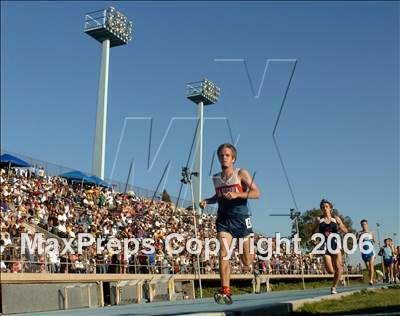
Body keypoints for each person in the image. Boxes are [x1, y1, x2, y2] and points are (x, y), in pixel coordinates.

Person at [200, 143, 260, 304]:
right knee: (223, 254)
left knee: (246, 261)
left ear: (233, 158)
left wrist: (237, 194)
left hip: (241, 220)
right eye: (221, 155)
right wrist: (207, 200)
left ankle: (251, 254)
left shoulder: (241, 173)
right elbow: (218, 196)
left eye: (227, 155)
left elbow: (256, 193)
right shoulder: (216, 177)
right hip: (224, 220)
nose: (223, 158)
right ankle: (225, 291)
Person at [317, 199, 348, 294]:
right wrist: (314, 240)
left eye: (326, 206)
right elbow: (313, 231)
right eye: (323, 207)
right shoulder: (319, 219)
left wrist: (340, 224)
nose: (325, 208)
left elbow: (345, 230)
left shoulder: (336, 218)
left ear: (330, 208)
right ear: (321, 209)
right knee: (330, 270)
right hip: (325, 245)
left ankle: (333, 287)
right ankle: (340, 277)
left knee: (338, 267)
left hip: (335, 244)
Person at [356, 219, 376, 285]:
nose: (363, 225)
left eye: (364, 224)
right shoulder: (359, 233)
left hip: (371, 250)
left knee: (371, 265)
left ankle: (371, 280)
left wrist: (375, 242)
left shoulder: (371, 232)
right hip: (364, 251)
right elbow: (357, 241)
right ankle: (372, 277)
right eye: (362, 224)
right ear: (361, 225)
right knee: (368, 267)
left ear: (367, 224)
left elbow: (374, 241)